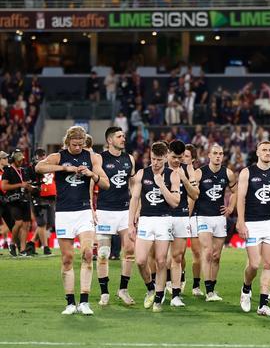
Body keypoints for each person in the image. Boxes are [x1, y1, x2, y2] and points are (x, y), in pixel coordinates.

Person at [35, 126, 110, 315]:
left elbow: (106, 183)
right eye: (74, 144)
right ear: (67, 142)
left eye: (81, 144)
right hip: (64, 213)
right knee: (67, 258)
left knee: (86, 253)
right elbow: (38, 167)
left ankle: (84, 301)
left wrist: (91, 174)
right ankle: (70, 302)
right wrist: (63, 168)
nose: (78, 148)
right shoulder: (58, 156)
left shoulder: (93, 157)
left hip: (84, 211)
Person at [236, 141, 270, 317]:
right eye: (264, 150)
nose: (268, 153)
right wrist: (241, 222)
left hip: (269, 223)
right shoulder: (247, 172)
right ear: (257, 152)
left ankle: (263, 305)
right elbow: (241, 199)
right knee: (254, 264)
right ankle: (246, 288)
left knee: (268, 264)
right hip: (252, 223)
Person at [129, 141, 181, 313]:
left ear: (166, 158)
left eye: (159, 160)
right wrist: (131, 224)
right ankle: (150, 288)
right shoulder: (142, 173)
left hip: (164, 220)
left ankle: (158, 298)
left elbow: (175, 202)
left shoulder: (172, 175)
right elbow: (135, 199)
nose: (156, 163)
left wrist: (161, 185)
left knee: (160, 261)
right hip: (145, 220)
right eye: (153, 159)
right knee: (141, 260)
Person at [94, 127, 137, 306]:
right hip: (104, 211)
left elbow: (134, 186)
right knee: (103, 254)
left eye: (123, 136)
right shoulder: (99, 158)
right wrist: (91, 207)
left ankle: (123, 290)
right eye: (119, 136)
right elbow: (92, 184)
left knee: (129, 251)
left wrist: (136, 209)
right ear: (110, 140)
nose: (123, 139)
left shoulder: (130, 159)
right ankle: (104, 292)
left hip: (124, 212)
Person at [192, 144, 237, 301]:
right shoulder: (199, 173)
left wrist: (230, 207)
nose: (218, 156)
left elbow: (235, 191)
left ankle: (212, 288)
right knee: (208, 251)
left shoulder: (228, 173)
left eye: (221, 153)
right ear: (208, 155)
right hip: (203, 216)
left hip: (219, 218)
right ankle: (209, 290)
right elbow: (192, 194)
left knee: (217, 256)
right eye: (215, 153)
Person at [165, 140, 198, 307]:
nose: (177, 160)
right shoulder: (159, 168)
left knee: (177, 257)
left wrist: (185, 179)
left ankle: (176, 295)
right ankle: (159, 289)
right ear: (167, 154)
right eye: (174, 157)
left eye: (180, 157)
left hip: (181, 216)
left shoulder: (187, 169)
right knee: (161, 258)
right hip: (161, 216)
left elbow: (195, 195)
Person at [2, 149, 33, 257]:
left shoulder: (24, 170)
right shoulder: (8, 171)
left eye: (22, 159)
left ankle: (23, 250)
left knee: (26, 225)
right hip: (13, 200)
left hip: (24, 199)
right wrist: (20, 185)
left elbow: (27, 184)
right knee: (18, 223)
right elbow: (4, 186)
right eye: (19, 160)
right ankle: (12, 244)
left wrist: (32, 188)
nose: (21, 162)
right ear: (14, 159)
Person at [184, 144, 204, 296]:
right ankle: (181, 277)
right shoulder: (173, 172)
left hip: (192, 216)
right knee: (178, 253)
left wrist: (186, 216)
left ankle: (196, 285)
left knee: (197, 253)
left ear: (194, 159)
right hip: (177, 215)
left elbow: (192, 198)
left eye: (186, 156)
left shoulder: (196, 173)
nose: (183, 158)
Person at [30, 148, 55, 256]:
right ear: (35, 157)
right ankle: (45, 247)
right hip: (39, 197)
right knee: (42, 223)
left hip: (51, 197)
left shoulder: (50, 166)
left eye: (43, 155)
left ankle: (31, 242)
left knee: (50, 223)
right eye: (39, 155)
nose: (41, 157)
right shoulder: (33, 168)